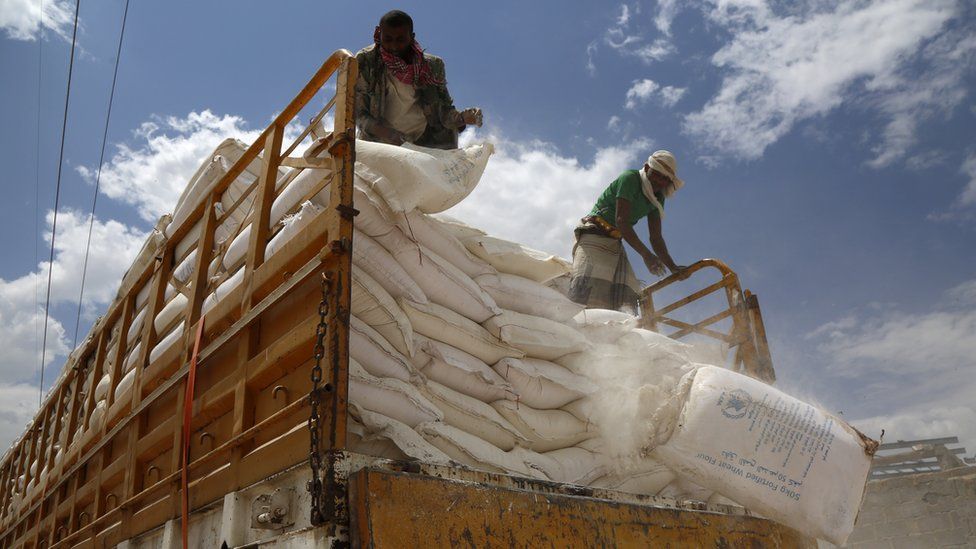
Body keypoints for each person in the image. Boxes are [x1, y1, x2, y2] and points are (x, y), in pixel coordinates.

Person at [568, 150, 688, 313]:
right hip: (594, 235)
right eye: (657, 175)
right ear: (646, 168)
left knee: (626, 293)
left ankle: (616, 332)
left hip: (614, 242)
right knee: (587, 289)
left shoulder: (658, 198)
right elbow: (621, 221)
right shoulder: (630, 178)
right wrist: (647, 255)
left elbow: (656, 237)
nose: (660, 182)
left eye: (665, 179)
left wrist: (672, 267)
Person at [355, 10, 482, 149]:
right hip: (380, 143)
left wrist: (463, 118)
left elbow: (443, 111)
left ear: (412, 37)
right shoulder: (365, 61)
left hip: (426, 142)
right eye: (388, 39)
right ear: (379, 34)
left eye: (401, 40)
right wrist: (388, 134)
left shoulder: (432, 66)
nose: (394, 46)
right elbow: (358, 113)